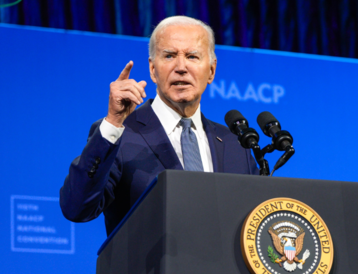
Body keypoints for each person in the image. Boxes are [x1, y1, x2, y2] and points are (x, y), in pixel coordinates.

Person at [60, 16, 259, 235]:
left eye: (192, 56)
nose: (181, 67)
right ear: (153, 69)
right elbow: (76, 208)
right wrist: (113, 123)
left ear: (211, 70)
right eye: (169, 56)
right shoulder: (120, 133)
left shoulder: (236, 145)